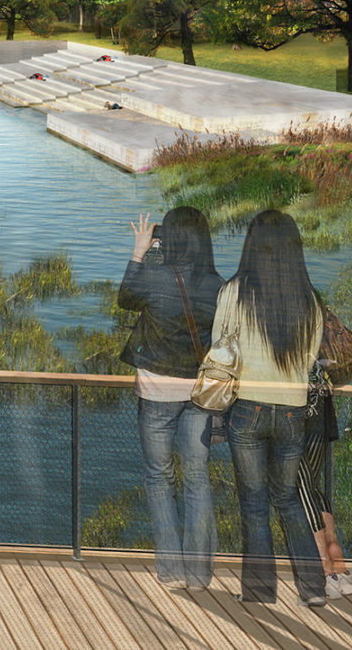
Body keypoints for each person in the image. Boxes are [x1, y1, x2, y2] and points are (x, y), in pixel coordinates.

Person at [218, 209, 328, 608]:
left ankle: (260, 592)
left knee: (254, 504)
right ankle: (314, 589)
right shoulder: (309, 300)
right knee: (288, 500)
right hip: (292, 414)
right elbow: (311, 357)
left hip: (246, 409)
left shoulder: (235, 292)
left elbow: (219, 350)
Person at [117, 207, 223, 592]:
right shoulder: (218, 286)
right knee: (198, 479)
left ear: (168, 240)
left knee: (159, 479)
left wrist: (141, 251)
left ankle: (171, 570)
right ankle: (199, 574)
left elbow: (126, 297)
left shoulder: (155, 277)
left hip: (156, 393)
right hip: (199, 396)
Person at [299, 370, 352, 598]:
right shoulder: (315, 333)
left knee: (303, 487)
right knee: (310, 485)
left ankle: (326, 571)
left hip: (292, 408)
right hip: (319, 400)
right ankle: (339, 567)